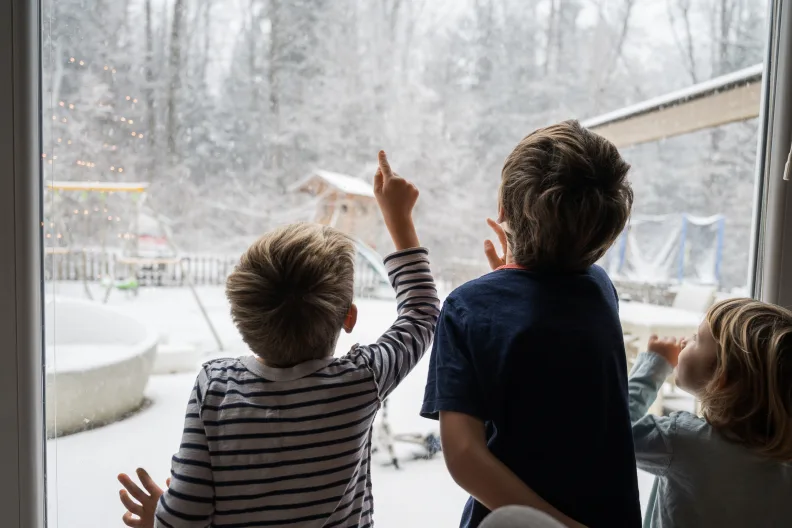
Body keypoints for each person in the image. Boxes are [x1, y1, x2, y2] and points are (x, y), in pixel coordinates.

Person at [116, 151, 440, 528]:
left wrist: (160, 517)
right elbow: (420, 313)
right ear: (348, 318)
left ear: (240, 316)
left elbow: (187, 516)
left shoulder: (216, 388)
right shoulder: (359, 381)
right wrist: (398, 220)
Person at [421, 120, 641, 528]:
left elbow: (464, 455)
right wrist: (510, 280)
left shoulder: (467, 307)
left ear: (503, 211)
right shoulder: (600, 289)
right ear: (608, 230)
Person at [629, 298, 792, 528]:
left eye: (696, 338)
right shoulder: (784, 464)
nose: (685, 341)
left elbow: (617, 430)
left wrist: (652, 366)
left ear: (720, 379)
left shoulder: (685, 441)